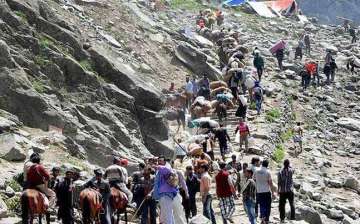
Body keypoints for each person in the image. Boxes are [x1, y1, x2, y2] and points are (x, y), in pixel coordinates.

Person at [254, 160, 276, 224]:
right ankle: (266, 219)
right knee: (267, 205)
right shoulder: (267, 172)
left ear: (262, 164)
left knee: (261, 205)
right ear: (267, 165)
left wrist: (257, 186)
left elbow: (254, 179)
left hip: (259, 191)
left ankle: (263, 217)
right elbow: (270, 183)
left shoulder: (256, 171)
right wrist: (273, 192)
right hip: (266, 191)